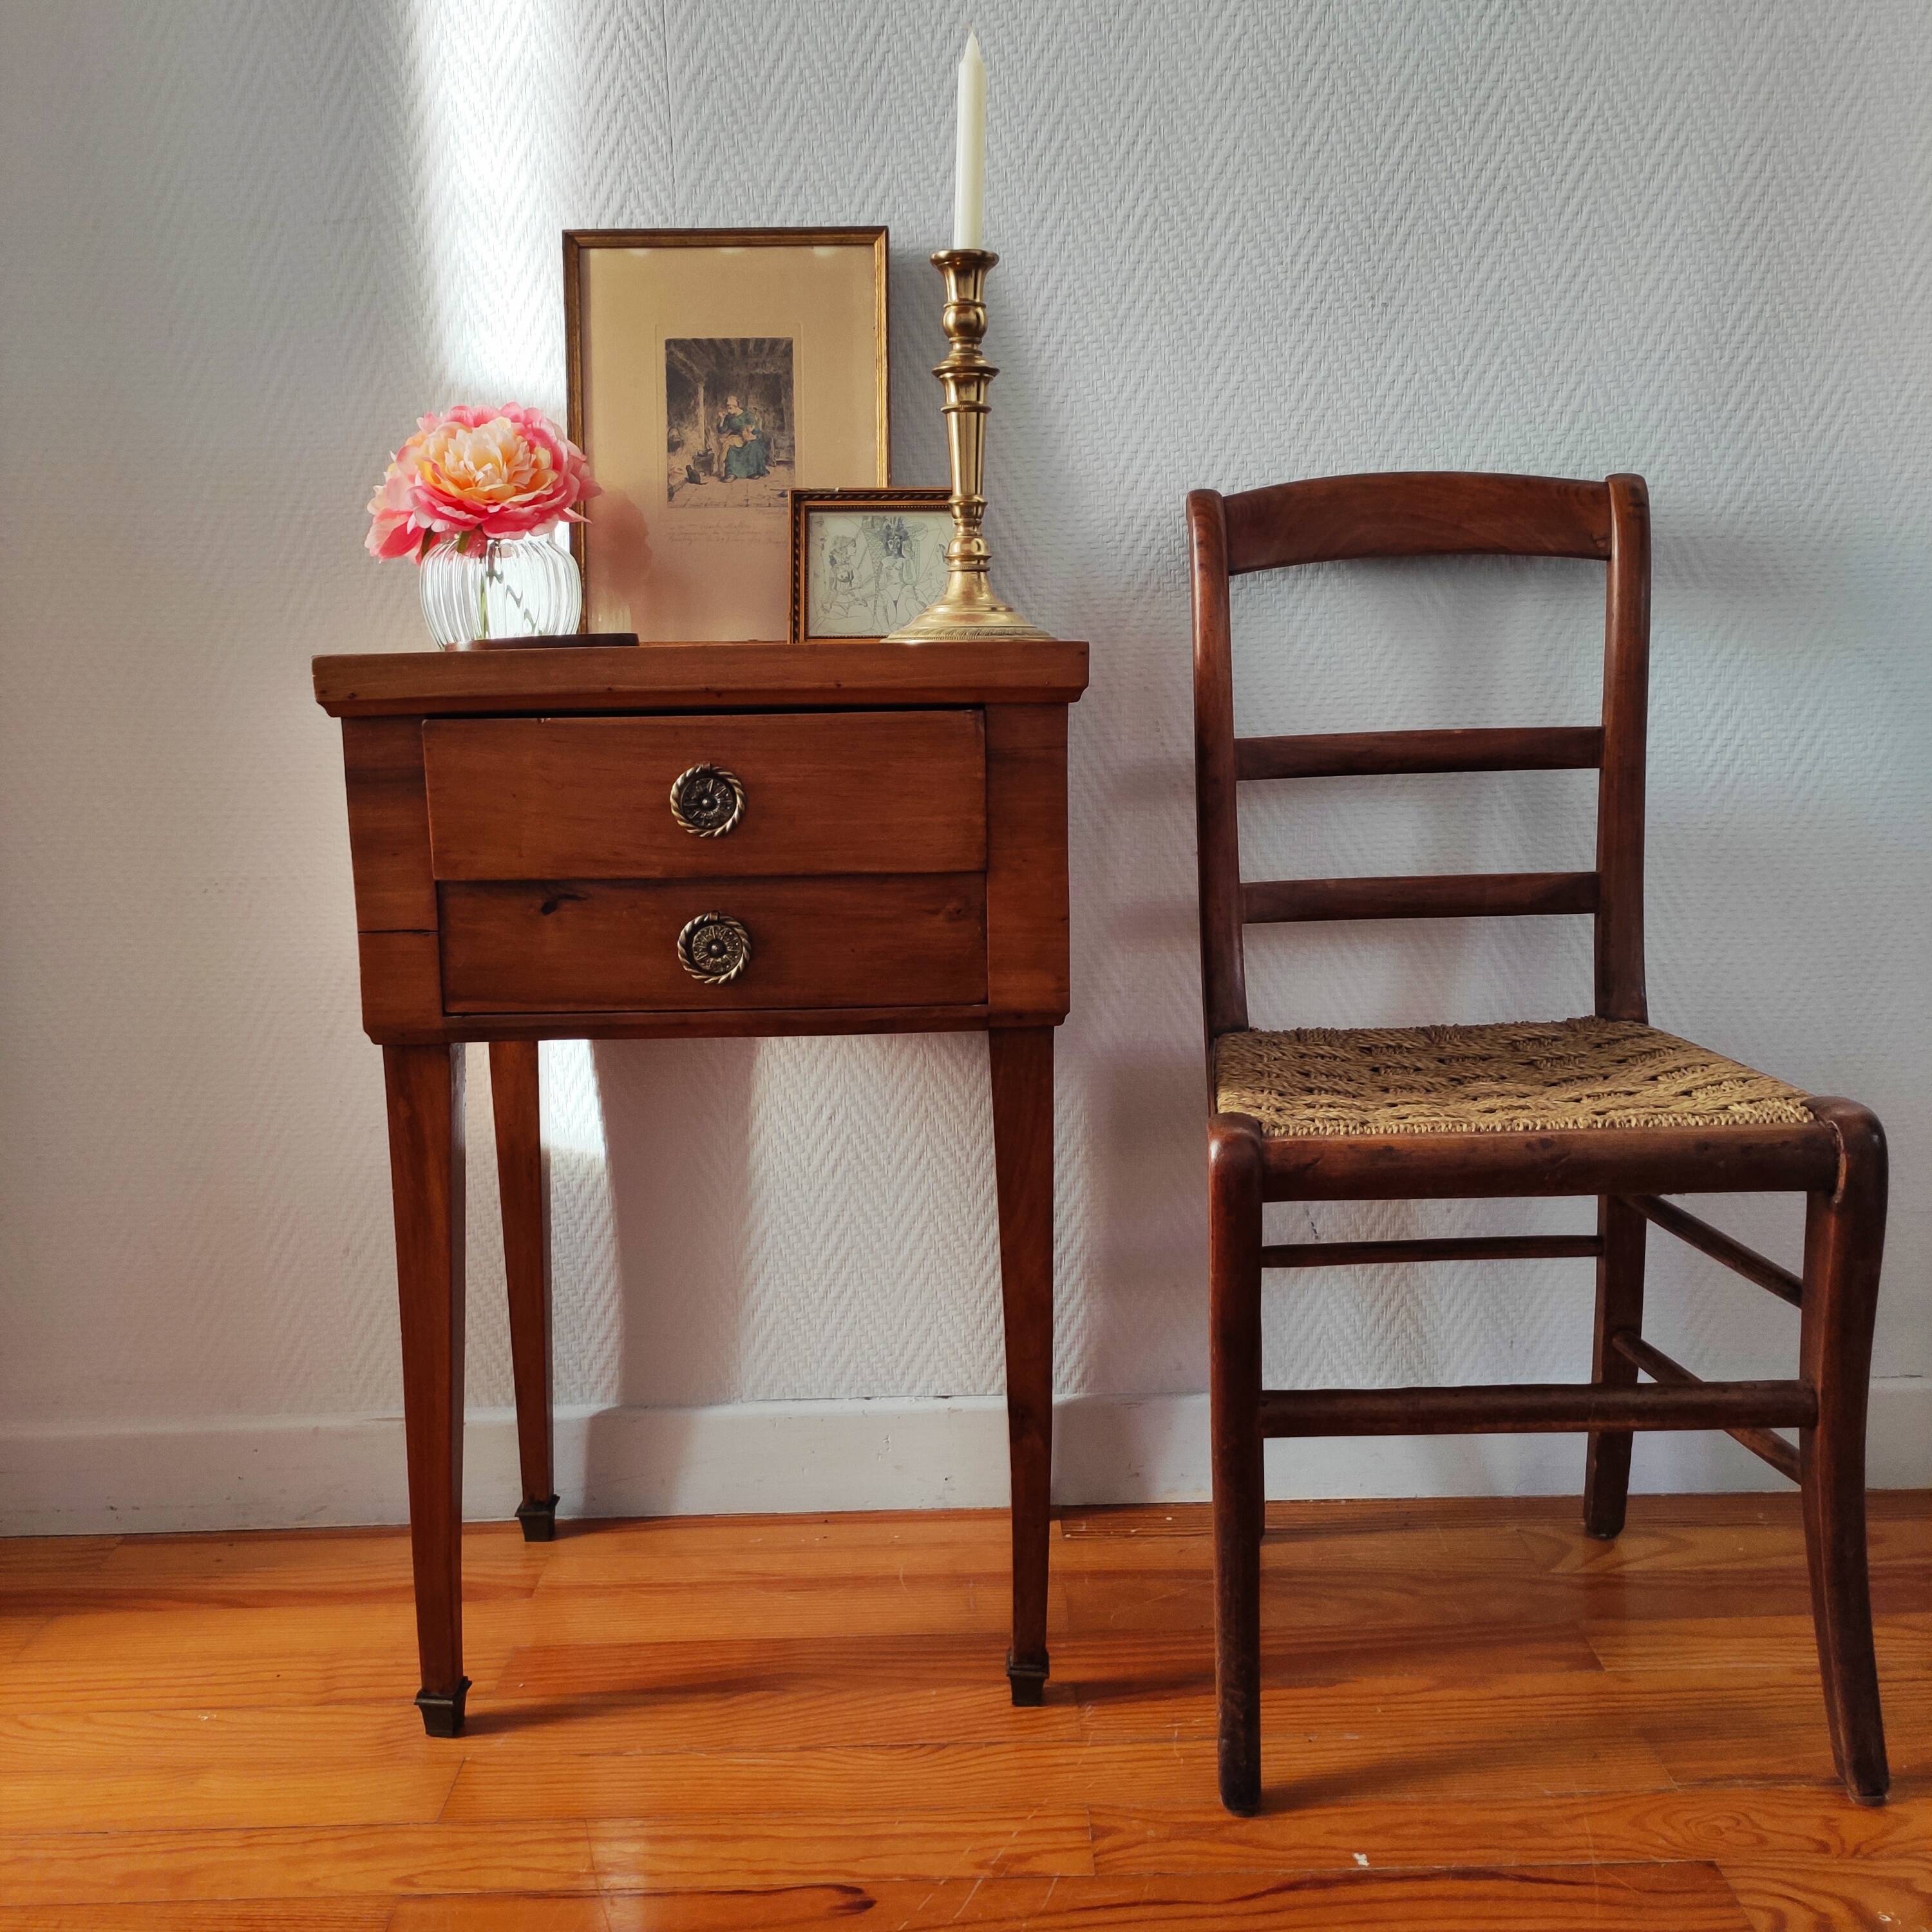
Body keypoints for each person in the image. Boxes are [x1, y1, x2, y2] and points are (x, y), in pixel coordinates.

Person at [715, 393, 770, 481]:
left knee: (753, 446)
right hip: (736, 438)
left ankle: (752, 472)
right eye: (727, 408)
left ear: (736, 407)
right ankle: (731, 474)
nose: (728, 410)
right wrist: (722, 419)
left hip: (749, 437)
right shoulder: (729, 417)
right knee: (731, 450)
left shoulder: (747, 415)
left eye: (730, 408)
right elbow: (722, 430)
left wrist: (750, 431)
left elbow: (754, 429)